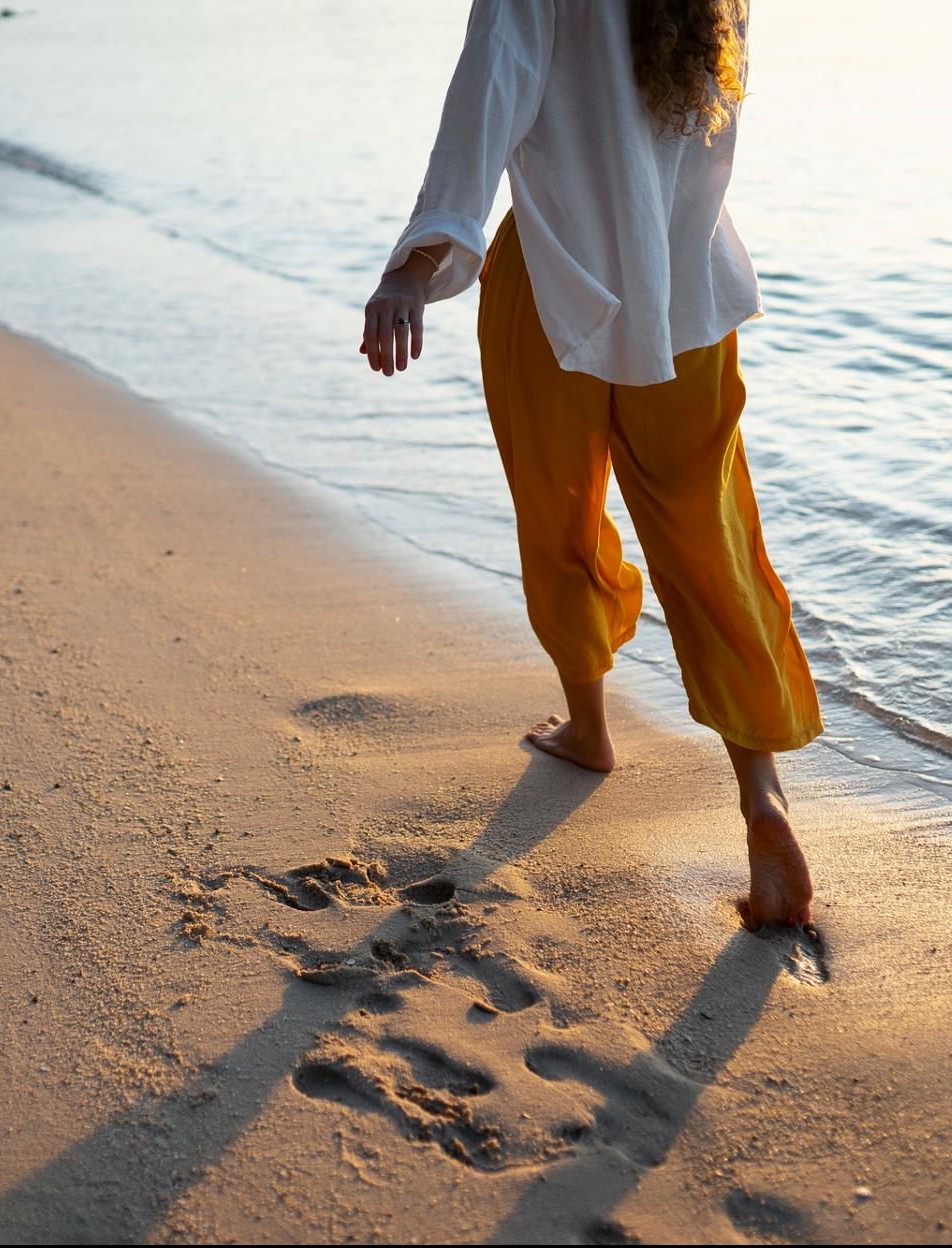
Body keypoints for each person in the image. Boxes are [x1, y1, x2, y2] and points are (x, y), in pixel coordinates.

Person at [360, 0, 822, 931]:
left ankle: (592, 728)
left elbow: (485, 102)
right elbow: (694, 139)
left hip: (551, 281)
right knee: (710, 538)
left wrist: (417, 264)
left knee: (559, 507)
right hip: (685, 290)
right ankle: (760, 792)